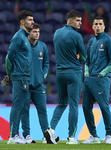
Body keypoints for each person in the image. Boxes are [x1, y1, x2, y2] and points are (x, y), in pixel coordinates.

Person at [44, 10, 86, 145]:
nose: (81, 23)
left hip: (60, 73)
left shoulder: (56, 32)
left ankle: (50, 131)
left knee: (62, 103)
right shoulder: (76, 35)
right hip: (74, 73)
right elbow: (85, 57)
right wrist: (79, 55)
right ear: (70, 20)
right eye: (78, 20)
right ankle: (71, 138)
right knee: (73, 104)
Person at [19, 23, 58, 144]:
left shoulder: (43, 46)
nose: (37, 34)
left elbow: (46, 64)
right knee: (24, 111)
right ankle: (27, 136)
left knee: (42, 110)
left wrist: (43, 76)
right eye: (34, 32)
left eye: (38, 32)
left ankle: (46, 136)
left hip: (38, 85)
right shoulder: (23, 45)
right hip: (25, 85)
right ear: (29, 33)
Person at [82, 16, 111, 144]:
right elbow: (88, 61)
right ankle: (93, 135)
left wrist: (102, 73)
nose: (97, 26)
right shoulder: (91, 41)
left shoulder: (108, 40)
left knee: (104, 107)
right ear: (92, 26)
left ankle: (108, 135)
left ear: (104, 26)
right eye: (95, 24)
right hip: (90, 79)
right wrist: (86, 72)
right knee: (86, 107)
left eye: (100, 24)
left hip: (102, 79)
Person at [5, 10, 34, 144]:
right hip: (19, 76)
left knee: (22, 106)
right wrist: (10, 74)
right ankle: (13, 135)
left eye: (32, 19)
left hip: (24, 76)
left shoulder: (25, 37)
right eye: (30, 20)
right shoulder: (18, 37)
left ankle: (18, 134)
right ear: (22, 22)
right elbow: (9, 57)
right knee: (17, 106)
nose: (32, 22)